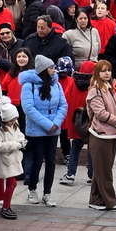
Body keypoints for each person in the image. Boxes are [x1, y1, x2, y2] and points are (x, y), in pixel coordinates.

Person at [20, 54, 69, 208]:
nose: (54, 71)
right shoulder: (29, 86)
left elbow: (63, 105)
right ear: (43, 70)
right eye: (51, 68)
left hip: (53, 130)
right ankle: (32, 188)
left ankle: (47, 192)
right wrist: (48, 124)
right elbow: (29, 108)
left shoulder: (57, 85)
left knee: (51, 162)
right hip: (36, 131)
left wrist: (56, 123)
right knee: (37, 160)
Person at [86, 60, 116, 212]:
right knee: (104, 171)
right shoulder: (95, 90)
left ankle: (96, 199)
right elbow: (101, 113)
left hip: (112, 134)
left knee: (103, 169)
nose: (107, 73)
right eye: (103, 71)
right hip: (100, 135)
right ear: (97, 73)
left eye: (108, 70)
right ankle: (109, 200)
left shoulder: (110, 88)